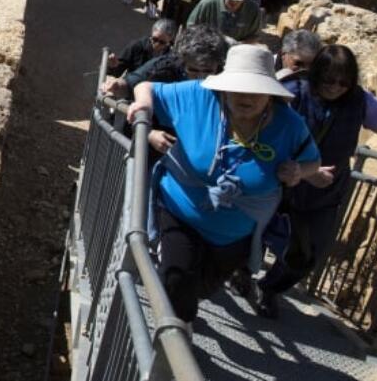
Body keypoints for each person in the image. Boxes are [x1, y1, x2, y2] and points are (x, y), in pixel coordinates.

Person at [125, 44, 321, 324]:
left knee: (199, 289)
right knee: (176, 280)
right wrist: (143, 107)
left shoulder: (290, 125)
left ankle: (182, 318)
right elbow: (146, 86)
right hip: (181, 210)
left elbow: (313, 160)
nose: (245, 97)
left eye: (256, 91)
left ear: (271, 94)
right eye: (238, 87)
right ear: (224, 86)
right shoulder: (199, 96)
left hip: (235, 233)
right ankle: (174, 347)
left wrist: (299, 171)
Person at [256, 45, 377, 318]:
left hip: (324, 192)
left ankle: (269, 288)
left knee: (308, 251)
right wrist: (302, 171)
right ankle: (238, 272)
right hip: (277, 179)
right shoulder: (294, 91)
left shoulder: (360, 101)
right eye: (329, 80)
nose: (336, 87)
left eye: (344, 82)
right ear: (316, 73)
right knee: (250, 233)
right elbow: (259, 126)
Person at [187, 0, 263, 42]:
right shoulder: (208, 3)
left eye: (238, 0)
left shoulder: (253, 10)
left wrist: (237, 45)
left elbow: (255, 36)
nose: (234, 2)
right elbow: (191, 27)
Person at [107, 18, 179, 77]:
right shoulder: (136, 47)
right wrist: (112, 66)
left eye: (162, 42)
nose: (157, 44)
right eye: (155, 39)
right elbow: (116, 73)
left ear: (169, 42)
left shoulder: (170, 57)